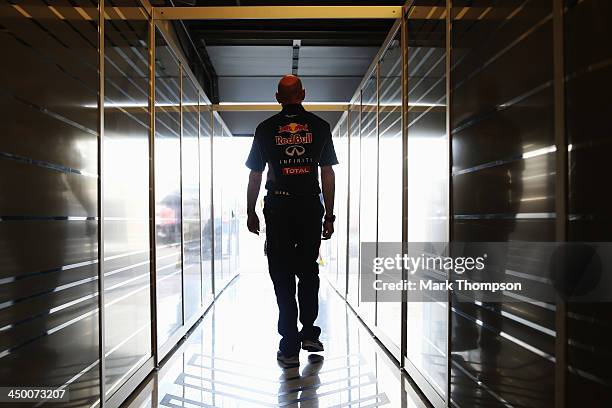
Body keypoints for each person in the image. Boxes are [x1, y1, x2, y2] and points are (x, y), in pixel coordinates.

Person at [245, 75, 338, 368]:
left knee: (282, 275)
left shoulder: (265, 129)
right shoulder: (320, 127)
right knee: (308, 271)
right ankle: (309, 333)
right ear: (303, 94)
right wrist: (329, 215)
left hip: (278, 208)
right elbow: (328, 174)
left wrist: (251, 211)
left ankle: (289, 346)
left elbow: (255, 175)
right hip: (310, 207)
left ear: (277, 97)